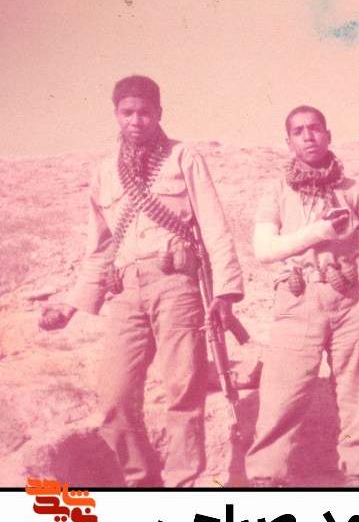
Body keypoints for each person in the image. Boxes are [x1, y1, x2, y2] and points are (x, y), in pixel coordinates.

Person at [38, 75, 244, 486]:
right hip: (125, 291)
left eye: (144, 112)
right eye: (127, 113)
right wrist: (72, 305)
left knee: (183, 389)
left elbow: (215, 226)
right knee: (113, 395)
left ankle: (184, 485)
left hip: (177, 284)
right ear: (116, 115)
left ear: (159, 113)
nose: (136, 121)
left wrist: (225, 292)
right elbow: (100, 249)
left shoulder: (183, 157)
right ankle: (142, 481)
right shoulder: (104, 173)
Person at [246, 105, 359, 487]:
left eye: (315, 128)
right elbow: (264, 250)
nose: (308, 136)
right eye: (298, 131)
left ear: (328, 135)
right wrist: (317, 232)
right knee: (282, 397)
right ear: (289, 142)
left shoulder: (353, 192)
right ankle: (266, 481)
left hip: (348, 303)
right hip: (296, 302)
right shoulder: (277, 190)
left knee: (357, 396)